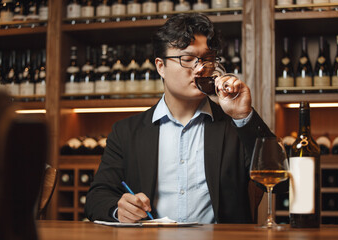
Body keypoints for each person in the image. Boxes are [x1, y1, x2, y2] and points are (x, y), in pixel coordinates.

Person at [85, 13, 274, 224]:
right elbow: (96, 198)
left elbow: (282, 183)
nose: (201, 69)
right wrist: (118, 210)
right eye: (188, 59)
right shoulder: (126, 132)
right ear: (160, 66)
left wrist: (243, 116)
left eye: (207, 59)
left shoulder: (234, 126)